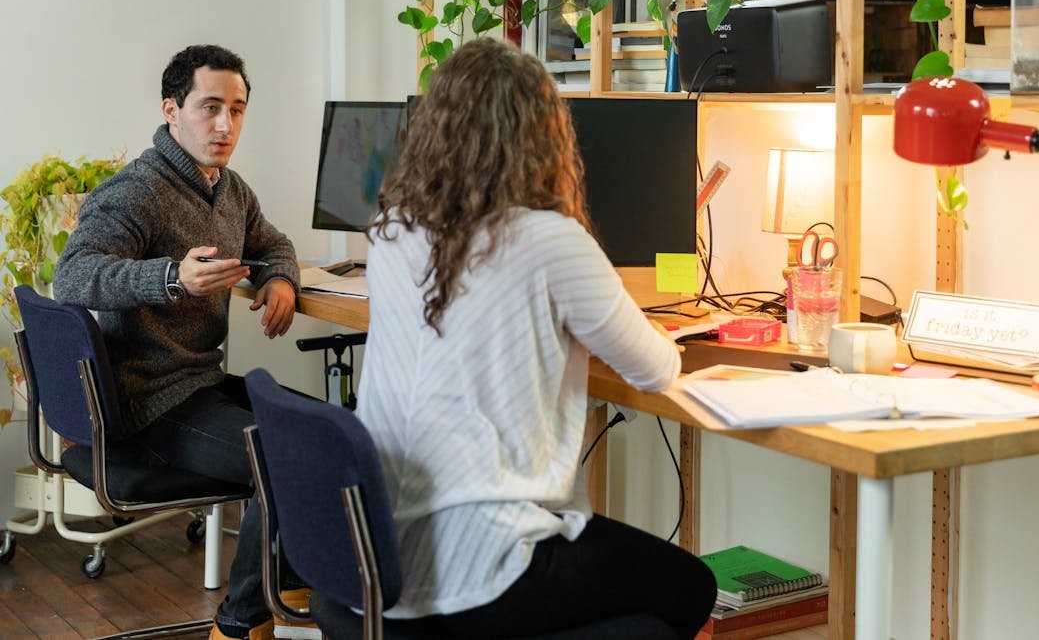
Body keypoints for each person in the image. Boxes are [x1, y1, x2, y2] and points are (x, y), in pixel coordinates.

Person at [358, 38, 717, 638]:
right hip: (488, 559)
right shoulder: (548, 240)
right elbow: (656, 369)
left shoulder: (391, 229)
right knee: (690, 587)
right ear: (542, 137)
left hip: (380, 553)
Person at [53, 44, 307, 640]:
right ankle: (241, 624)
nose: (225, 125)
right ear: (172, 110)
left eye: (238, 110)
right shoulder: (138, 189)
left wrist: (281, 281)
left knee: (336, 436)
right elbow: (73, 274)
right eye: (210, 107)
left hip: (201, 385)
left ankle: (286, 588)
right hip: (152, 402)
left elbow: (274, 243)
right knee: (288, 458)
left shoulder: (229, 188)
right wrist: (172, 276)